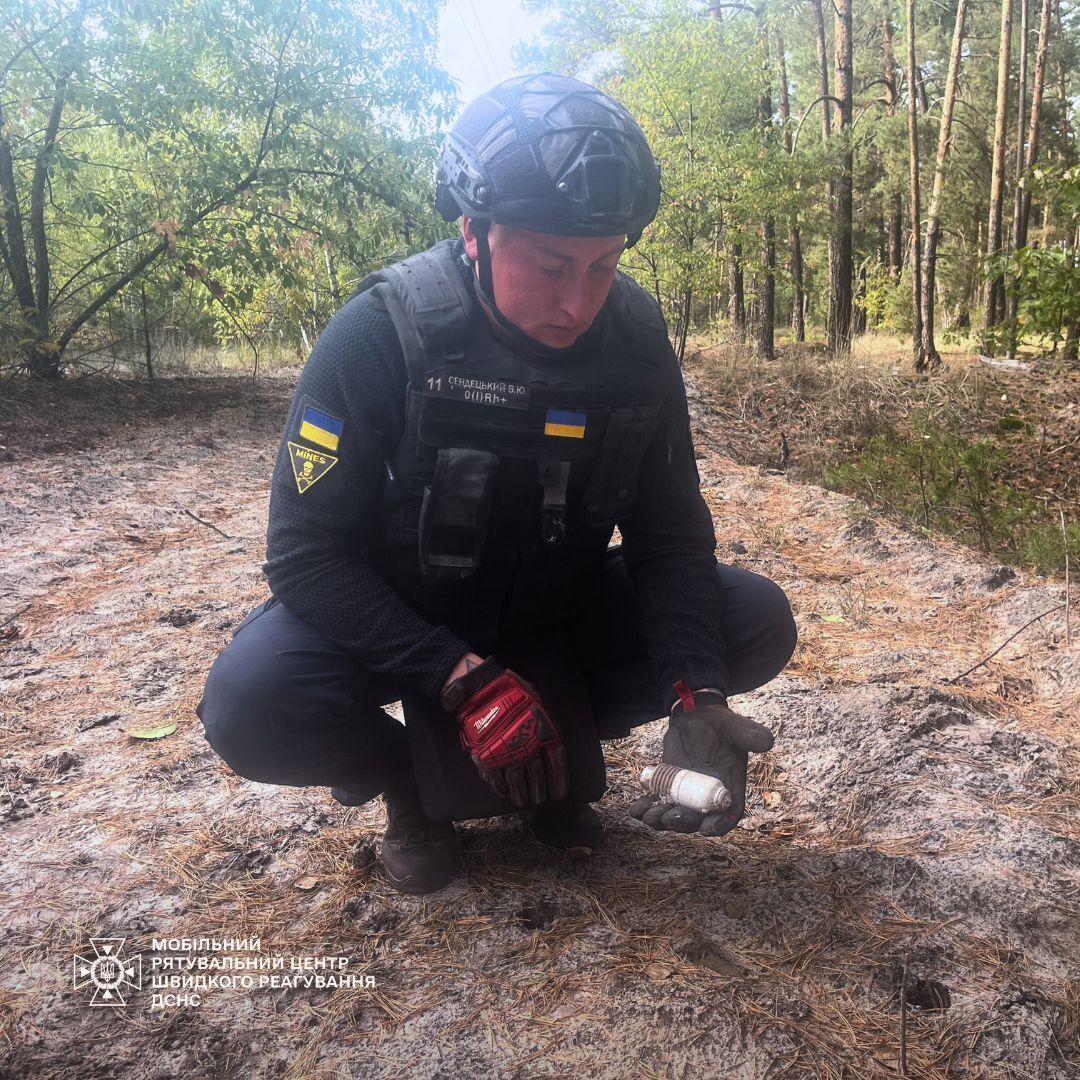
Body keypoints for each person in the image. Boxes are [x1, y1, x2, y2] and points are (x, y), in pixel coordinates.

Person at [197, 73, 796, 895]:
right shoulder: (377, 335)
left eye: (603, 265)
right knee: (249, 704)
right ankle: (408, 782)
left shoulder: (636, 340)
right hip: (405, 624)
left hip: (556, 610)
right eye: (551, 264)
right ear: (475, 230)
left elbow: (670, 538)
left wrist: (698, 693)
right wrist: (463, 678)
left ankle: (549, 748)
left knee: (754, 619)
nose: (577, 300)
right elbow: (304, 560)